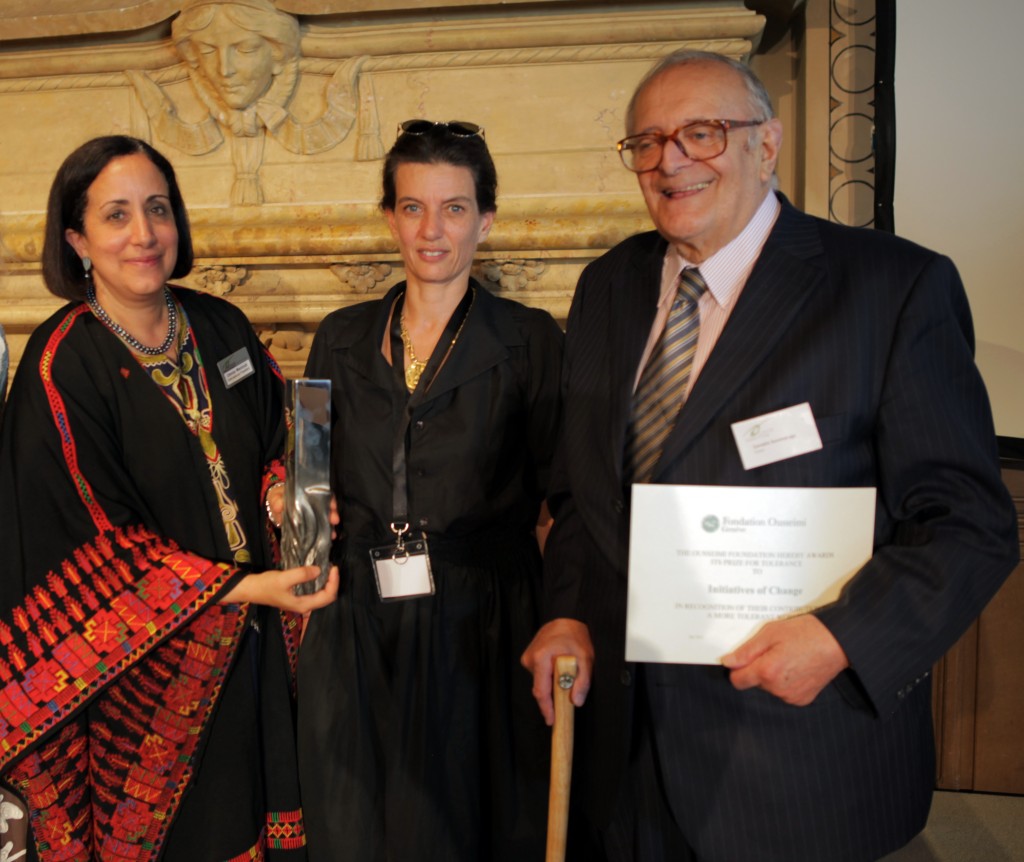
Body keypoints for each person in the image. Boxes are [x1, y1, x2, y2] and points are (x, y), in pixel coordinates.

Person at [521, 50, 1019, 862]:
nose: (671, 159)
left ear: (767, 144)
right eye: (646, 142)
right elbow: (586, 491)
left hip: (794, 753)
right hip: (624, 748)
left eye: (703, 132)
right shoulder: (607, 286)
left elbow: (968, 522)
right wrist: (566, 607)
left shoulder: (891, 288)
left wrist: (843, 638)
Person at [0, 135, 338, 860]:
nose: (144, 234)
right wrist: (246, 586)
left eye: (157, 209)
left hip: (255, 648)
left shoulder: (218, 323)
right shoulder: (61, 366)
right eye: (116, 215)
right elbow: (98, 546)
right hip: (144, 687)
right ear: (77, 239)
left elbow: (288, 428)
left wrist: (293, 496)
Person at [296, 119, 563, 861]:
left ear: (486, 219)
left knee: (468, 821)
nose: (432, 230)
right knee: (354, 818)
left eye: (453, 208)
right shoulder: (338, 335)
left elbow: (563, 493)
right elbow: (308, 472)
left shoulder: (531, 340)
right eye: (413, 207)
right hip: (358, 617)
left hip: (483, 618)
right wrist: (307, 561)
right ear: (389, 217)